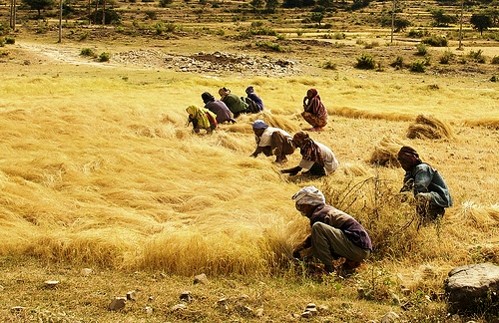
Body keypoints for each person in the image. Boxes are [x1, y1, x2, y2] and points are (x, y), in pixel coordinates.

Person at [291, 186, 372, 275]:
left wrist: (299, 248)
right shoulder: (324, 210)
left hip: (358, 249)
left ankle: (329, 270)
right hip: (361, 249)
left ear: (310, 204)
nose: (301, 210)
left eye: (302, 206)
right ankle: (350, 264)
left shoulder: (319, 215)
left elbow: (315, 239)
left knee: (317, 227)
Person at [397, 146, 453, 221]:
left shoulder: (422, 169)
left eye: (405, 161)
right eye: (402, 162)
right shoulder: (410, 172)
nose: (403, 165)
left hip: (439, 197)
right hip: (429, 196)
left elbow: (419, 188)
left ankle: (428, 217)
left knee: (420, 197)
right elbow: (405, 190)